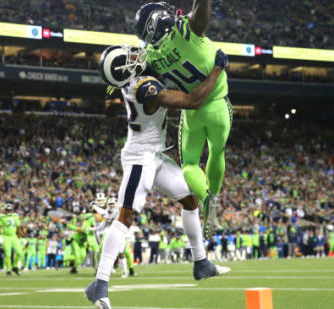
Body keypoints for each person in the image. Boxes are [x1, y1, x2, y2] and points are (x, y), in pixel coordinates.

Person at [85, 44, 231, 309]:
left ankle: (201, 263)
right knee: (124, 217)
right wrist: (217, 71)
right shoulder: (143, 88)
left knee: (190, 200)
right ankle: (100, 284)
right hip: (140, 159)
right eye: (129, 57)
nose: (135, 56)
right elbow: (192, 101)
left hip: (155, 155)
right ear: (124, 69)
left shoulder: (134, 79)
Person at [134, 0, 228, 239]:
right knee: (217, 153)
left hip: (191, 112)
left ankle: (207, 199)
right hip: (216, 102)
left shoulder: (154, 58)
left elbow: (138, 82)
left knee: (189, 164)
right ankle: (214, 195)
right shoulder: (188, 31)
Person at [0, 203, 24, 276]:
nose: (8, 211)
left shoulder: (16, 216)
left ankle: (15, 266)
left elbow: (18, 227)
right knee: (8, 254)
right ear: (5, 210)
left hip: (14, 236)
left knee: (20, 252)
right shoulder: (1, 217)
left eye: (10, 210)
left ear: (12, 210)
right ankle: (8, 270)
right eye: (7, 210)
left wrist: (22, 236)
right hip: (5, 237)